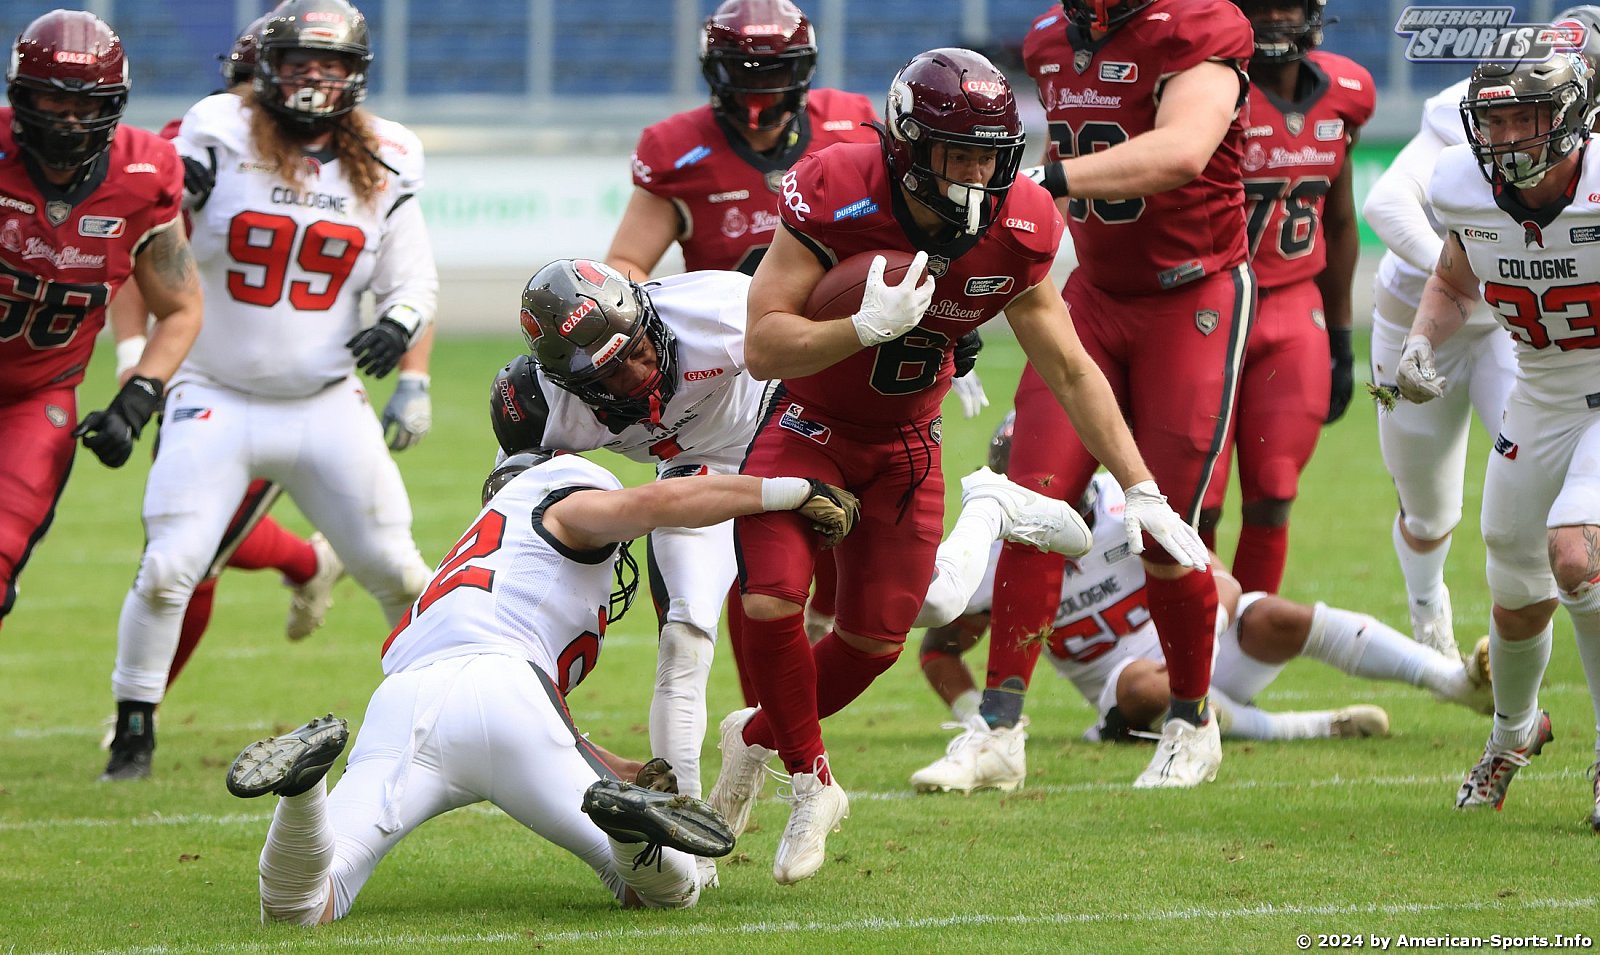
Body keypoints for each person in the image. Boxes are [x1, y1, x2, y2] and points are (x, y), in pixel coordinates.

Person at [709, 48, 1207, 885]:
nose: (978, 174)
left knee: (875, 640)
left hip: (907, 444)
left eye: (991, 155)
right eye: (959, 153)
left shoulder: (1021, 221)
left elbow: (1070, 367)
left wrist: (1141, 485)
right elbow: (763, 347)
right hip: (808, 424)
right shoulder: (836, 187)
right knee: (769, 597)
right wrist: (858, 328)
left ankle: (754, 738)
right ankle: (813, 784)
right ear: (908, 145)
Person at [488, 258, 1087, 881]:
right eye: (612, 374)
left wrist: (929, 339)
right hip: (695, 475)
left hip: (792, 439)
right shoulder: (541, 404)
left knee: (931, 606)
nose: (638, 373)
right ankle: (682, 842)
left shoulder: (715, 309)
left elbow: (825, 324)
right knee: (685, 635)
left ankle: (988, 507)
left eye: (639, 349)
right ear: (570, 383)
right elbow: (513, 507)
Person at [222, 451, 859, 922]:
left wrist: (616, 767)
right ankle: (628, 833)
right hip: (511, 698)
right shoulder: (559, 497)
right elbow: (658, 504)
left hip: (404, 701)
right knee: (668, 890)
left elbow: (488, 695)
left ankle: (303, 790)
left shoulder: (468, 563)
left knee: (304, 904)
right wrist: (783, 491)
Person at [102, 0, 437, 782]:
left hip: (326, 399)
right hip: (213, 389)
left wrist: (400, 328)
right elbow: (147, 228)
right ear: (266, 70)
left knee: (399, 570)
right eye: (298, 63)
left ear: (356, 75)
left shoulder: (388, 154)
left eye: (331, 65)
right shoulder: (219, 128)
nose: (313, 79)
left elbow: (413, 276)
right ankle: (132, 730)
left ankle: (434, 716)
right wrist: (172, 189)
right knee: (171, 564)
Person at [909, 414, 1494, 793]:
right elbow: (939, 651)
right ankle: (1313, 726)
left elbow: (1221, 582)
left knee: (1276, 616)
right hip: (1125, 686)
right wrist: (974, 715)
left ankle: (1451, 680)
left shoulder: (1120, 501)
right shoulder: (997, 555)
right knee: (1145, 686)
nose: (1047, 496)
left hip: (1198, 644)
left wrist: (1206, 629)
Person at [981, 0, 1256, 790]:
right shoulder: (1049, 39)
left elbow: (1181, 150)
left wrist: (1048, 179)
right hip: (1095, 297)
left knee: (1163, 524)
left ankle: (1191, 722)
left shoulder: (1200, 26)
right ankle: (997, 732)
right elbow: (1054, 184)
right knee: (1029, 501)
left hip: (1191, 296)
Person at [103, 17, 345, 697]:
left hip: (277, 379)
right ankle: (308, 563)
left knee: (198, 553)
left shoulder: (332, 158)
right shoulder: (189, 142)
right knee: (181, 540)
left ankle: (138, 714)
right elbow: (138, 252)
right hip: (191, 375)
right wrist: (134, 355)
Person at [1398, 52, 1600, 822]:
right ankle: (1513, 734)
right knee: (1517, 598)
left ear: (1573, 118)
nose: (1510, 137)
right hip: (1539, 396)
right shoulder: (1462, 183)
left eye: (1527, 118)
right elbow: (1455, 281)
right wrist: (1422, 340)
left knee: (1575, 553)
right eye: (1497, 120)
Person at [0, 11, 203, 630]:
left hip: (36, 397)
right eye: (52, 101)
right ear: (21, 97)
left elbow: (181, 307)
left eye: (84, 105)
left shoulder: (142, 176)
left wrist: (137, 400)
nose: (68, 120)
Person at [1197, 0, 1374, 595]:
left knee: (1274, 492)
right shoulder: (1206, 91)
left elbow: (1340, 221)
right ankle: (1197, 639)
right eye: (1260, 5)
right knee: (1198, 502)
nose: (1275, 18)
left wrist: (1342, 337)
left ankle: (1249, 637)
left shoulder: (1347, 92)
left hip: (1294, 306)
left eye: (1287, 4)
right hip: (1209, 306)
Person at [1360, 75, 1514, 661]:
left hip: (1513, 327)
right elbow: (1384, 202)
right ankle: (1429, 616)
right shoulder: (1473, 109)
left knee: (1547, 488)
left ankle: (1521, 651)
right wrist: (1457, 275)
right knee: (1429, 514)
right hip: (1416, 319)